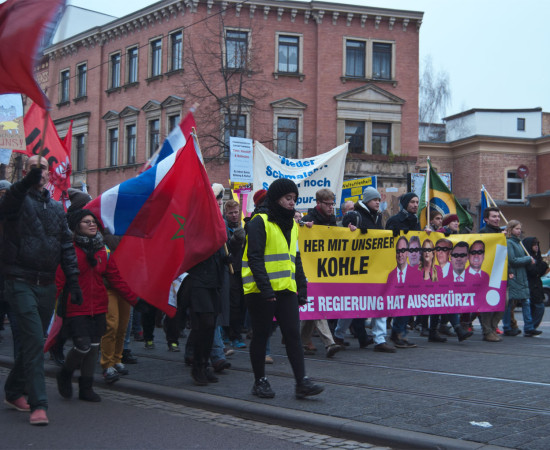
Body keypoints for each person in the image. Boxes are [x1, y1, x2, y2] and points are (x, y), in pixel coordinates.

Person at [1, 156, 82, 426]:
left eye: (44, 167)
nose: (40, 172)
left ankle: (13, 391)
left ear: (50, 174)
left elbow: (66, 247)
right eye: (34, 167)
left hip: (46, 285)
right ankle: (39, 403)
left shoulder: (58, 209)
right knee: (35, 339)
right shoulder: (16, 201)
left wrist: (73, 280)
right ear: (26, 171)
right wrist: (25, 182)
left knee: (31, 342)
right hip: (19, 280)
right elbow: (9, 201)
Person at [243, 178, 323, 399]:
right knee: (261, 335)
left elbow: (295, 258)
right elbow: (254, 258)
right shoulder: (259, 221)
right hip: (261, 292)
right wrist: (266, 289)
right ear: (277, 198)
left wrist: (302, 285)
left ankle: (301, 382)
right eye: (288, 198)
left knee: (292, 335)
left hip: (286, 290)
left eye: (294, 199)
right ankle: (260, 381)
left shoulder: (291, 225)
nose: (292, 203)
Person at [55, 209, 145, 401]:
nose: (92, 224)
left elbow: (116, 278)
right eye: (86, 222)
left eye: (93, 221)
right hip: (76, 305)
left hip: (99, 305)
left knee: (94, 347)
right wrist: (47, 304)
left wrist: (135, 301)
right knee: (83, 346)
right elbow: (59, 279)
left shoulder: (102, 250)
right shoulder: (70, 249)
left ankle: (86, 388)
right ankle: (65, 372)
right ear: (77, 226)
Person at [339, 186, 395, 353]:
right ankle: (339, 334)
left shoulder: (377, 217)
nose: (378, 202)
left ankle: (379, 339)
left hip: (375, 267)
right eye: (374, 199)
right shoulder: (356, 214)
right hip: (358, 268)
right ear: (366, 201)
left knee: (379, 301)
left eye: (379, 199)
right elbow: (342, 229)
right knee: (352, 304)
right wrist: (350, 229)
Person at [300, 188, 342, 358]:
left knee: (312, 307)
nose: (331, 207)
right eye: (328, 204)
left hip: (325, 270)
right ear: (318, 203)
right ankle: (329, 343)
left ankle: (299, 340)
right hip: (310, 270)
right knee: (317, 304)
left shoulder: (331, 220)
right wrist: (304, 227)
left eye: (333, 204)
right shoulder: (309, 220)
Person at [386, 193, 421, 349]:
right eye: (412, 202)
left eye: (417, 202)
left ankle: (400, 334)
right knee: (398, 302)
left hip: (410, 269)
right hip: (394, 267)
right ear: (405, 203)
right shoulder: (394, 221)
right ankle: (395, 333)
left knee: (406, 302)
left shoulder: (416, 222)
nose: (415, 205)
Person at [502, 221, 538, 337]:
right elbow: (513, 260)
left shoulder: (519, 243)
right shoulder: (509, 243)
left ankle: (529, 327)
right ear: (511, 229)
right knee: (510, 302)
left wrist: (529, 260)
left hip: (521, 276)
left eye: (520, 229)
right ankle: (507, 326)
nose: (519, 231)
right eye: (517, 229)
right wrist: (528, 259)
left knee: (525, 301)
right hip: (514, 276)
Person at [478, 207, 505, 342]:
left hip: (500, 273)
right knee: (487, 303)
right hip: (487, 273)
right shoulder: (483, 233)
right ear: (486, 219)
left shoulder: (501, 233)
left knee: (504, 301)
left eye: (498, 216)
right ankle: (487, 331)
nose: (497, 219)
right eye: (494, 216)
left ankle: (493, 328)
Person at [224, 199, 247, 349]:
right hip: (229, 270)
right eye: (231, 213)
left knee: (242, 304)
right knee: (232, 304)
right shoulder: (223, 228)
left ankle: (236, 333)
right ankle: (232, 335)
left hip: (242, 270)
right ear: (226, 214)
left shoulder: (243, 227)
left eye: (236, 212)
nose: (234, 215)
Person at [523, 237, 548, 331]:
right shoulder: (527, 258)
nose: (536, 247)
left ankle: (531, 327)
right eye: (534, 245)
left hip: (537, 285)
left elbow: (540, 270)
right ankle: (530, 327)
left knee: (536, 307)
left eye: (537, 245)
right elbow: (533, 271)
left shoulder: (537, 257)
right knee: (537, 307)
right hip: (530, 285)